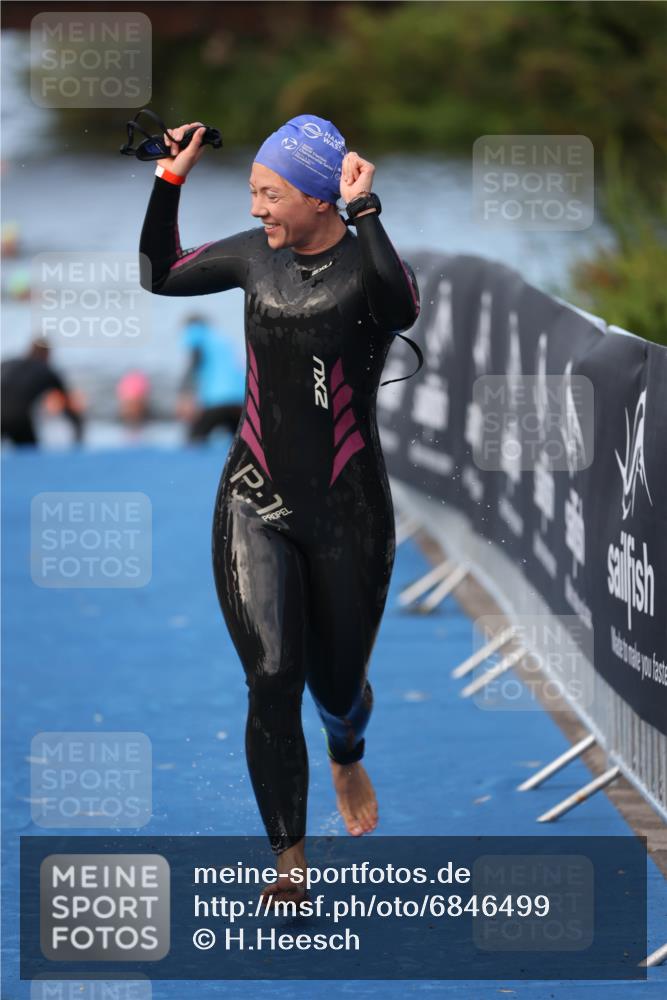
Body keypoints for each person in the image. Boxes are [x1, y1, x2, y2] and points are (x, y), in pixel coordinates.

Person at [139, 114, 420, 906]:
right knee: (271, 677)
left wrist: (367, 211)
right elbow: (159, 273)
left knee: (337, 690)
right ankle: (288, 863)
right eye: (253, 191)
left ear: (319, 199)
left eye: (271, 194)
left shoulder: (368, 262)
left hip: (348, 512)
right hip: (252, 498)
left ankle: (345, 749)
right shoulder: (253, 256)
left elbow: (399, 307)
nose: (257, 207)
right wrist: (169, 180)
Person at [1, 337, 83, 446]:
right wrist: (78, 433)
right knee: (29, 453)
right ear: (47, 354)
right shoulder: (46, 371)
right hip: (19, 419)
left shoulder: (6, 364)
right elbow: (67, 404)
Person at [178, 314, 244, 441]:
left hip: (216, 400)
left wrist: (184, 394)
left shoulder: (196, 333)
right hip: (239, 400)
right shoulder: (223, 340)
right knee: (239, 443)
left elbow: (194, 362)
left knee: (195, 439)